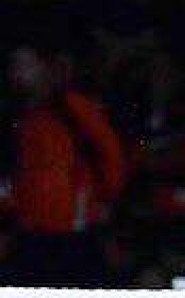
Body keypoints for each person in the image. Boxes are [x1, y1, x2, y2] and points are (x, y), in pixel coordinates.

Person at [4, 43, 126, 285]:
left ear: (46, 67)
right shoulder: (19, 116)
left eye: (26, 65)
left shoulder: (73, 108)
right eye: (15, 66)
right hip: (31, 232)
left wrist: (105, 199)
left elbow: (111, 155)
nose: (18, 73)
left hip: (74, 232)